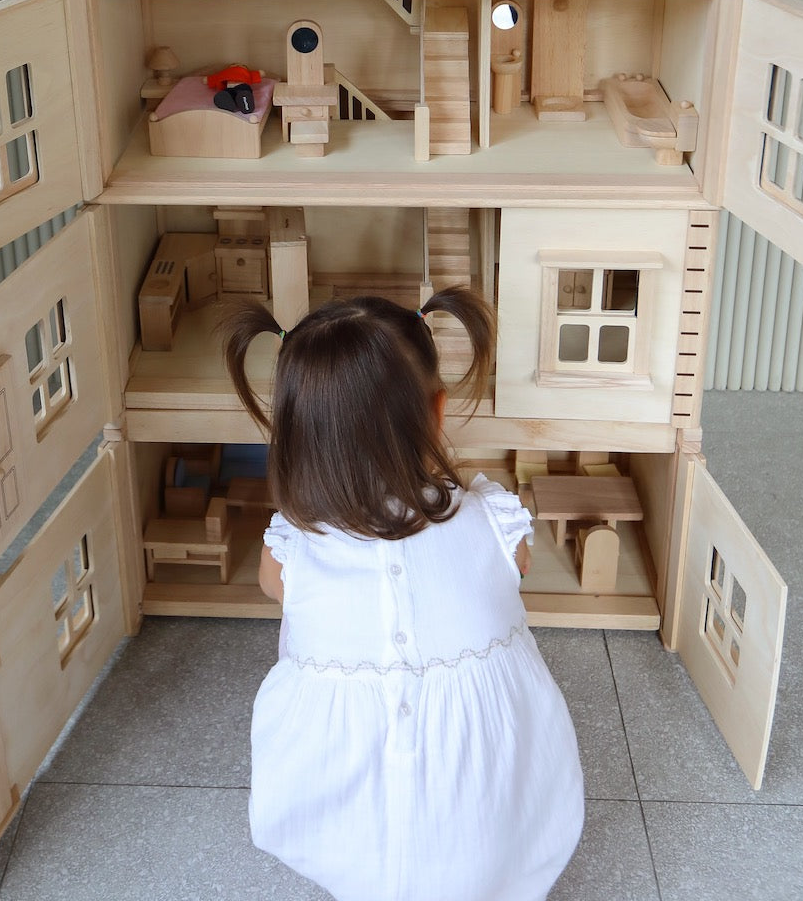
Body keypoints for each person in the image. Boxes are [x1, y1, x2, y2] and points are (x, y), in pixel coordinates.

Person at [219, 288, 584, 901]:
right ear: (436, 412)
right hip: (487, 803)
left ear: (294, 434)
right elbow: (512, 572)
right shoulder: (497, 525)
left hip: (347, 817)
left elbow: (278, 595)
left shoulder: (288, 552)